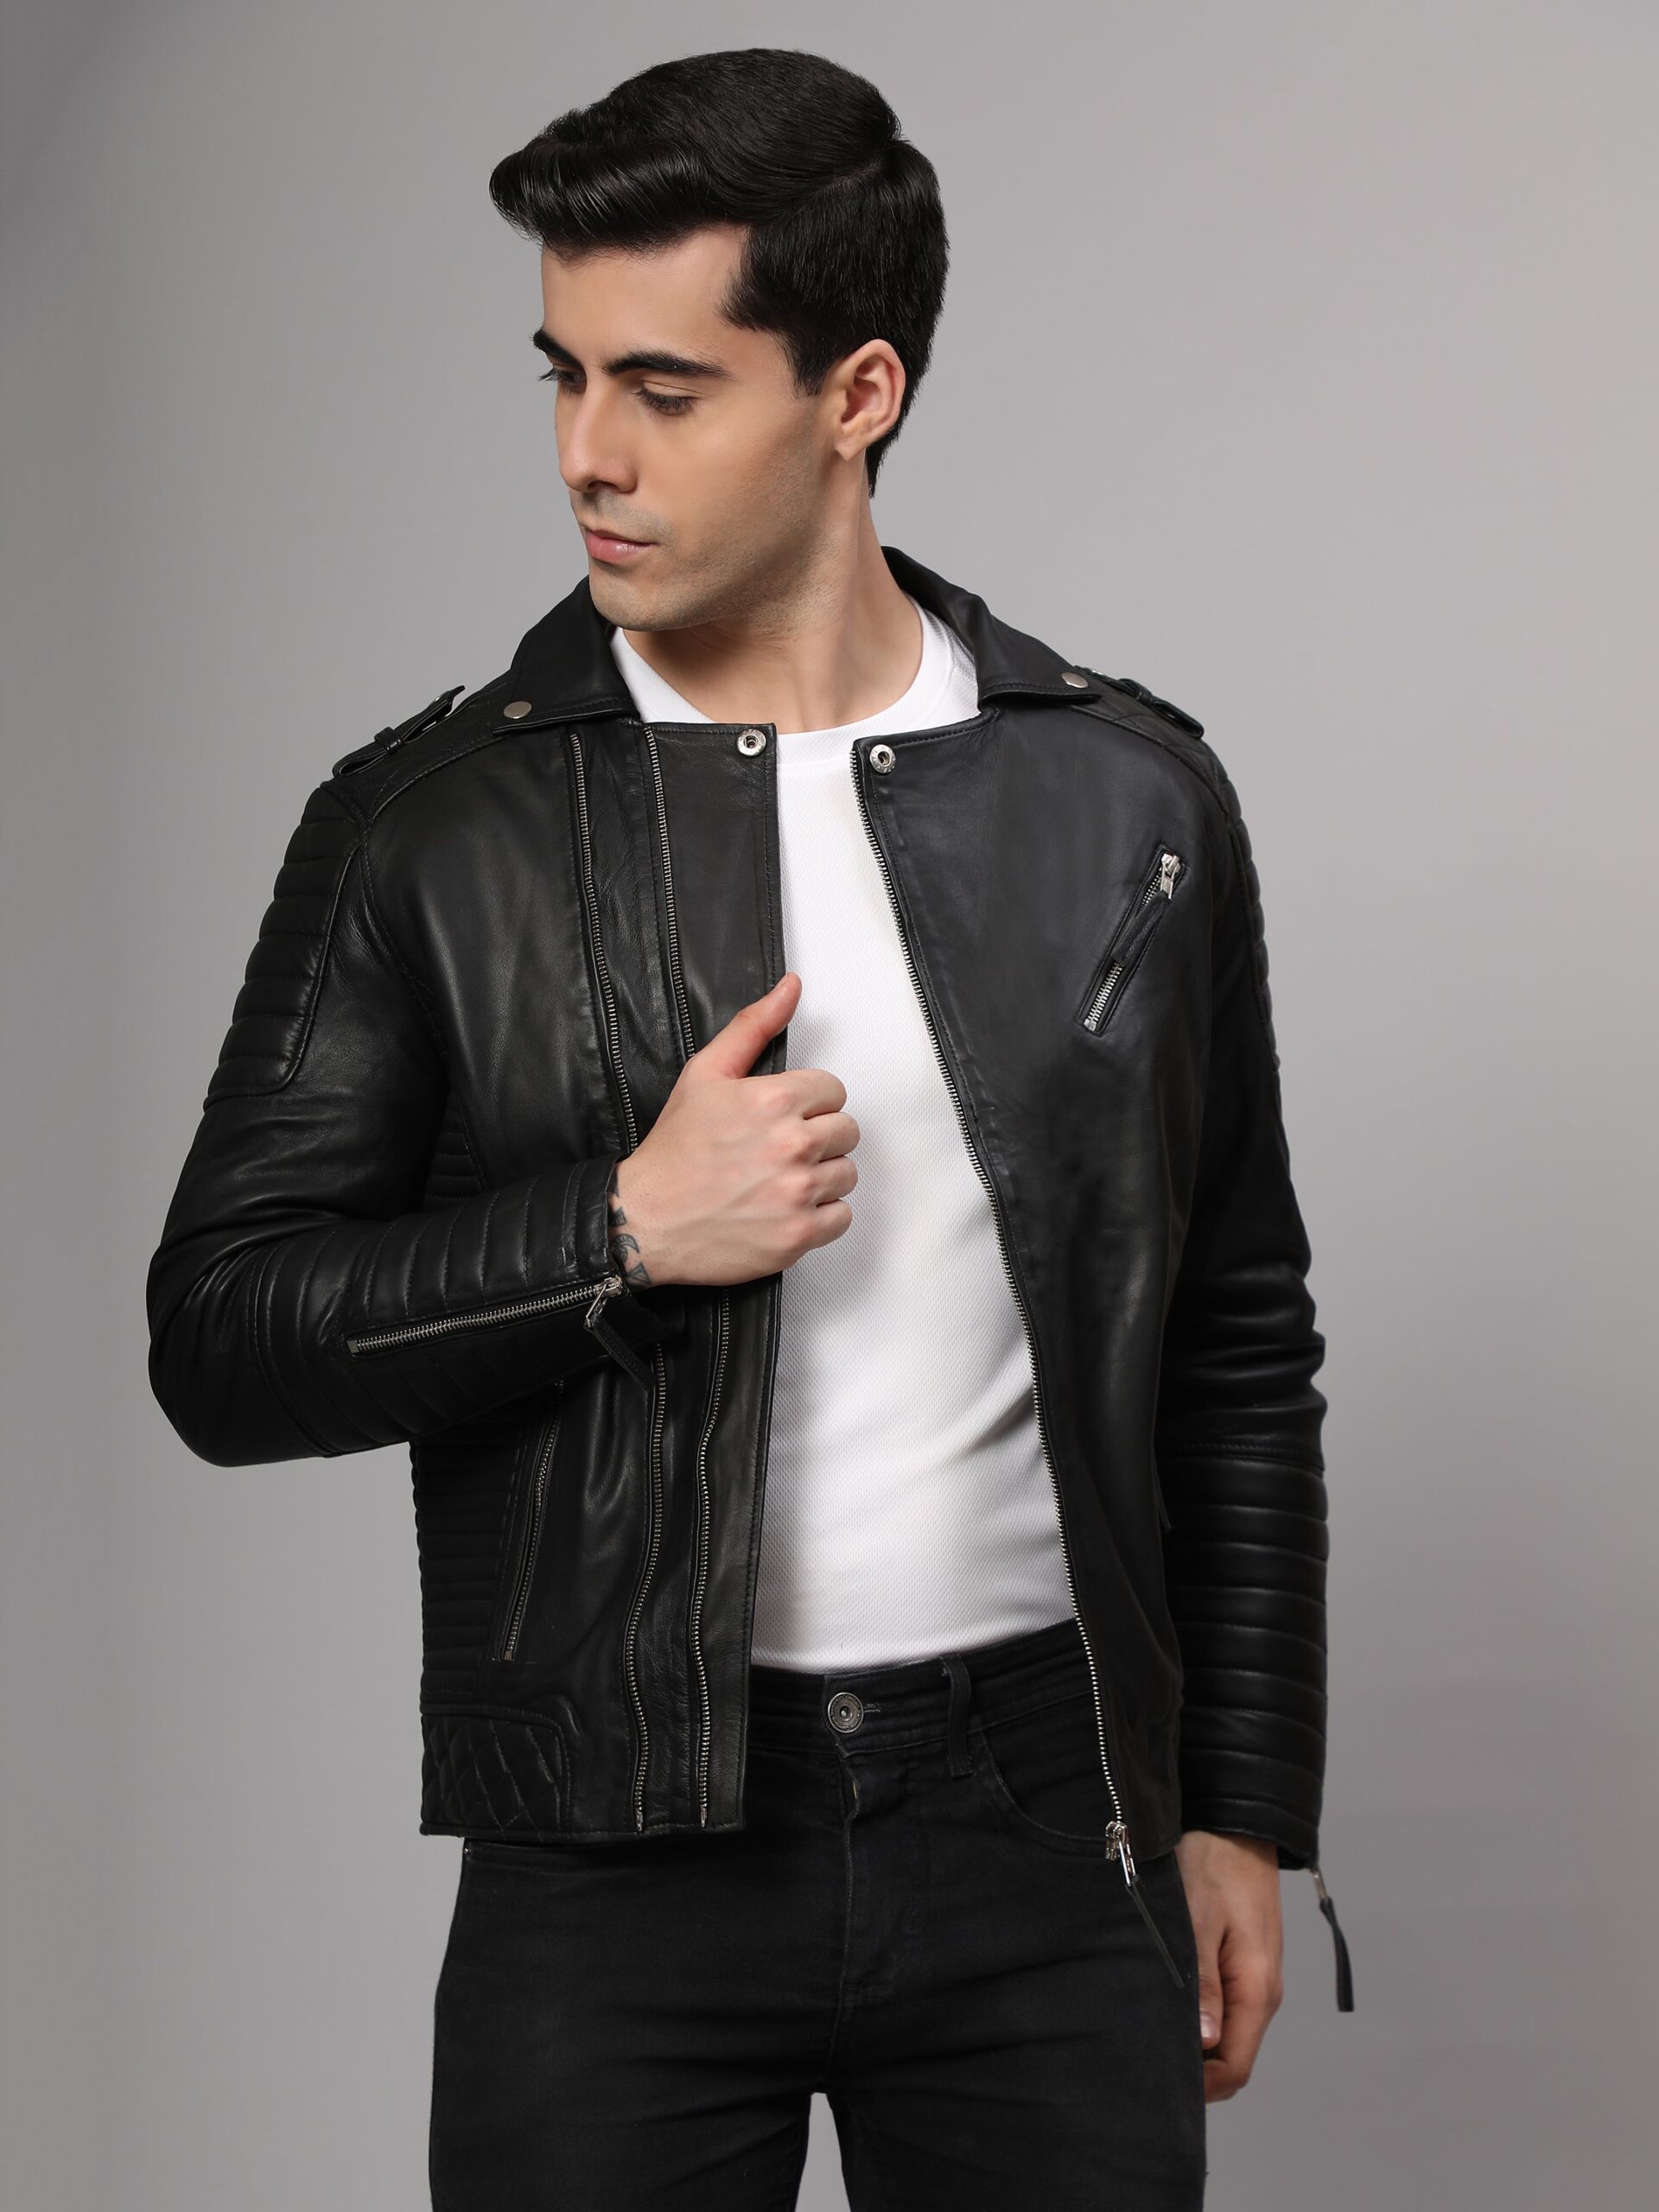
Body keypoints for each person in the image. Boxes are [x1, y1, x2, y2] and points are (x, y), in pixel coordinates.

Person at [146, 44, 1352, 2211]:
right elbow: (224, 1334)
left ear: (857, 392)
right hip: (611, 1843)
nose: (585, 454)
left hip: (1043, 1816)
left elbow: (1236, 1330)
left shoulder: (1128, 800)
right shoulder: (431, 822)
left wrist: (1240, 1802)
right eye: (561, 374)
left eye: (666, 389)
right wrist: (615, 1230)